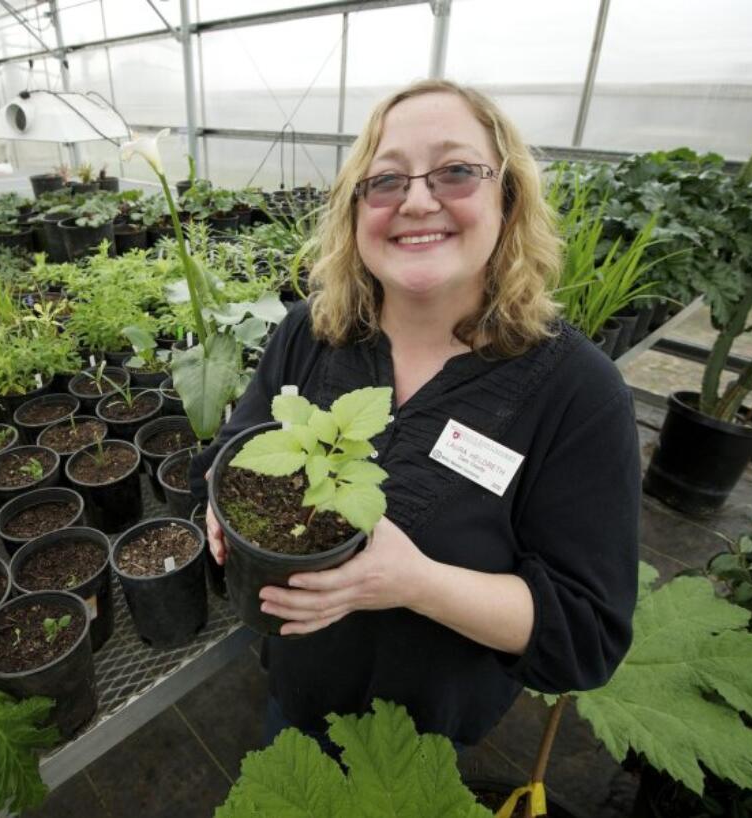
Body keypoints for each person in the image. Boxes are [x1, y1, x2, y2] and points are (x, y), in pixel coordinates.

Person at [188, 79, 640, 747]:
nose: (419, 200)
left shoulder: (579, 392)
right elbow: (237, 451)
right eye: (386, 180)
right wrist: (217, 510)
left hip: (427, 745)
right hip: (296, 698)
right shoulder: (310, 332)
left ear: (508, 199)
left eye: (456, 172)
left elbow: (585, 633)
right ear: (355, 210)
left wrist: (415, 582)